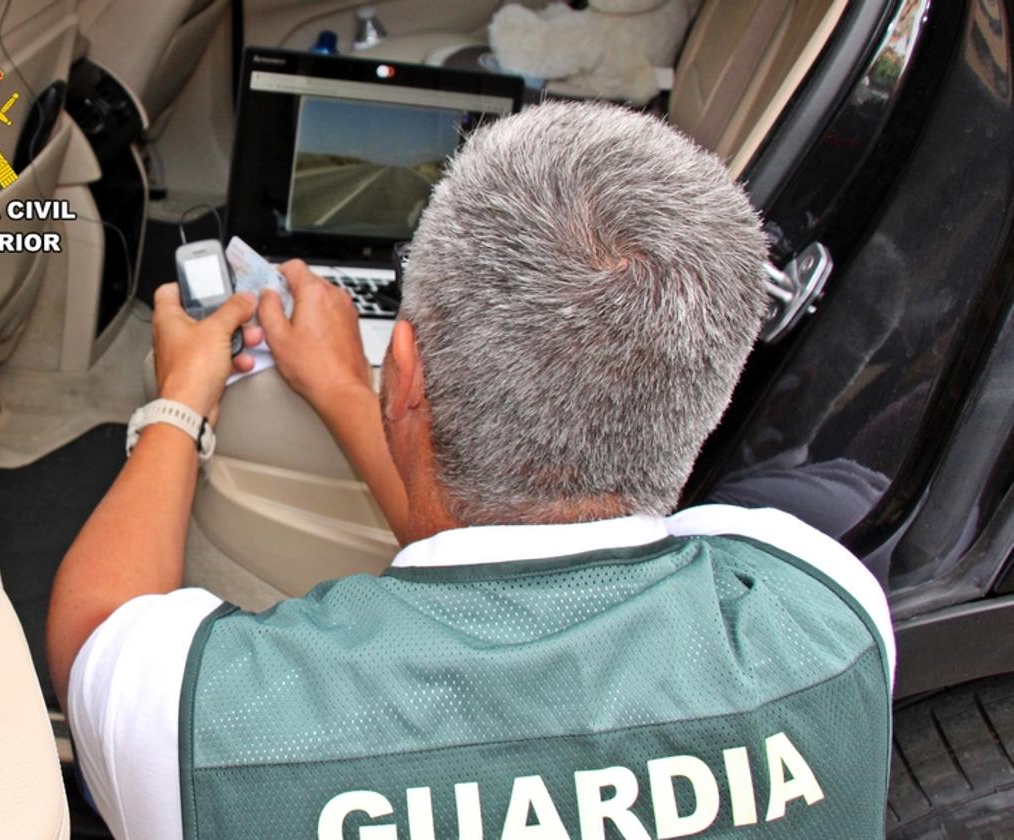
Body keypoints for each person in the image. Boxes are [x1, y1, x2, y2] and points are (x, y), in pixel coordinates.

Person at [46, 102, 894, 840]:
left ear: (403, 373)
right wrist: (347, 391)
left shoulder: (209, 725)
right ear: (703, 390)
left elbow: (94, 633)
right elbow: (516, 539)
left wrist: (182, 399)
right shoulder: (826, 609)